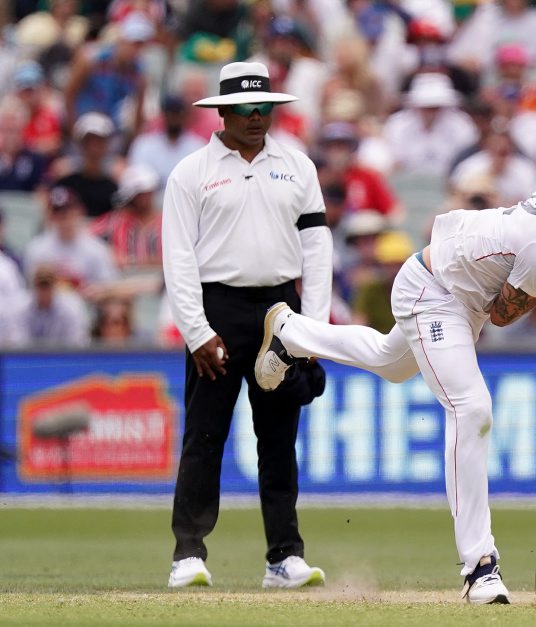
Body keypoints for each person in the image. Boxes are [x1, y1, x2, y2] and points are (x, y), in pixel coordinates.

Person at [252, 105, 536, 604]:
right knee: (472, 410)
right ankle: (480, 567)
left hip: (457, 284)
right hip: (435, 292)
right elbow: (503, 316)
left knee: (390, 363)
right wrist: (521, 288)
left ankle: (292, 332)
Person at [161, 62, 332, 590]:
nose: (257, 117)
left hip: (280, 308)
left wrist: (312, 330)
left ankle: (284, 557)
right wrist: (196, 331)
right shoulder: (191, 172)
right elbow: (178, 257)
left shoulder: (297, 165)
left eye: (264, 107)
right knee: (205, 434)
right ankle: (188, 554)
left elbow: (317, 248)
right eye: (245, 108)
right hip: (218, 307)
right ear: (223, 112)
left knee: (279, 437)